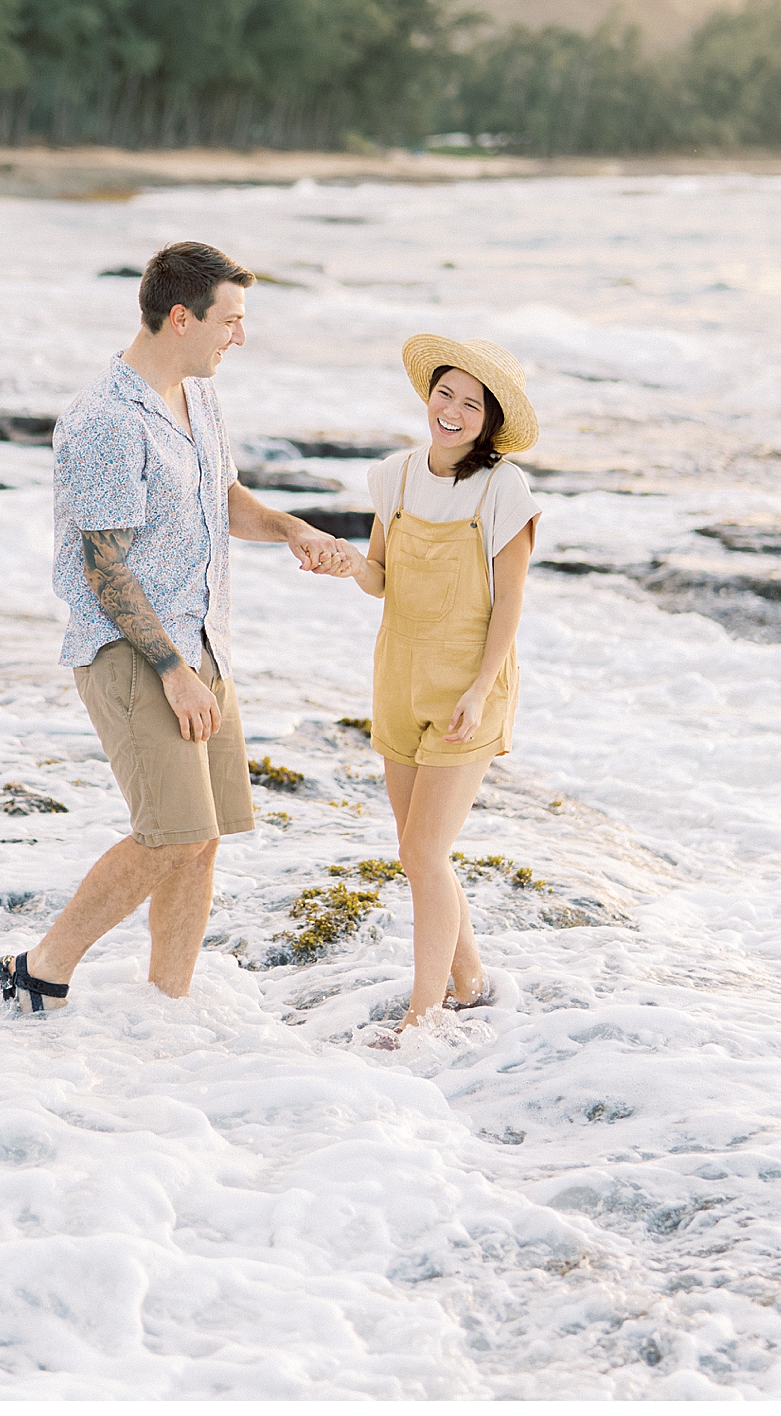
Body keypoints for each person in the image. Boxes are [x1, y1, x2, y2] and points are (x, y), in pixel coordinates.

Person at [0, 240, 342, 1016]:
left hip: (203, 640)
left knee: (203, 835)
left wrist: (289, 527)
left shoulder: (199, 396)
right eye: (231, 321)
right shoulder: (104, 421)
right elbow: (104, 566)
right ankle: (40, 968)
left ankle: (168, 1007)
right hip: (133, 652)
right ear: (182, 317)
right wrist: (172, 671)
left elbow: (223, 497)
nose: (239, 338)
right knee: (170, 833)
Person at [321, 335, 540, 1047]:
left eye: (470, 403)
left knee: (423, 852)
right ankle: (469, 980)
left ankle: (424, 1015)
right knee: (419, 850)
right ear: (429, 396)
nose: (452, 410)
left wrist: (480, 689)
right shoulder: (396, 476)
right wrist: (352, 561)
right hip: (399, 678)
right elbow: (381, 576)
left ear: (488, 420)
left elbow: (509, 602)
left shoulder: (504, 489)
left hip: (464, 693)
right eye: (445, 393)